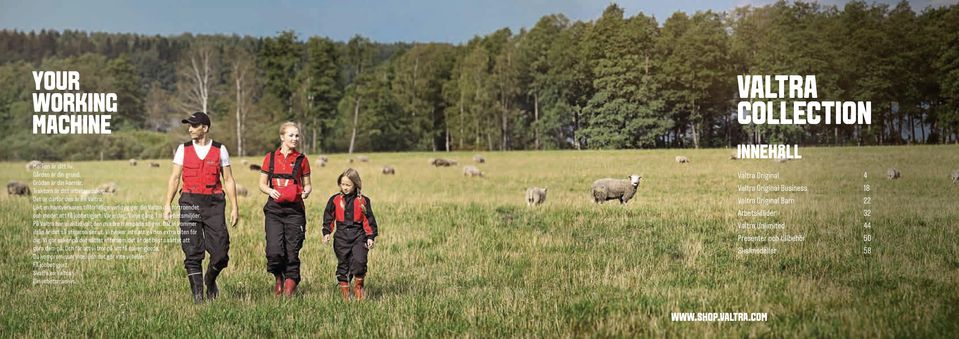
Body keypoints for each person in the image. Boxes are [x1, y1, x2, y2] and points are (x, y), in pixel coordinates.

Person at [162, 112, 239, 304]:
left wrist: (235, 207)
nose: (189, 129)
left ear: (204, 128)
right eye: (189, 125)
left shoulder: (220, 150)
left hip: (214, 204)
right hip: (189, 201)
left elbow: (228, 180)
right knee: (191, 250)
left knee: (220, 253)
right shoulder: (182, 149)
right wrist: (167, 204)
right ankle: (198, 296)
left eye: (193, 126)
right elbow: (174, 178)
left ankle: (210, 279)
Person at [258, 122, 313, 297]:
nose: (295, 139)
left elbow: (308, 185)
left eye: (297, 136)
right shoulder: (270, 158)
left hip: (295, 212)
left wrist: (306, 192)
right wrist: (269, 190)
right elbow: (261, 184)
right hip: (274, 211)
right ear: (282, 137)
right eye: (291, 135)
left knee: (292, 250)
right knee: (274, 251)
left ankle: (290, 285)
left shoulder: (302, 160)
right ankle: (278, 277)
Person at [322, 168, 378, 301]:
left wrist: (370, 236)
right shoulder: (334, 200)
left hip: (359, 235)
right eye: (343, 184)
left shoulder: (363, 201)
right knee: (343, 265)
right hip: (341, 237)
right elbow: (329, 218)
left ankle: (359, 288)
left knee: (359, 262)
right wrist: (326, 233)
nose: (345, 187)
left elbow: (369, 220)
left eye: (348, 185)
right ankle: (346, 297)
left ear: (356, 185)